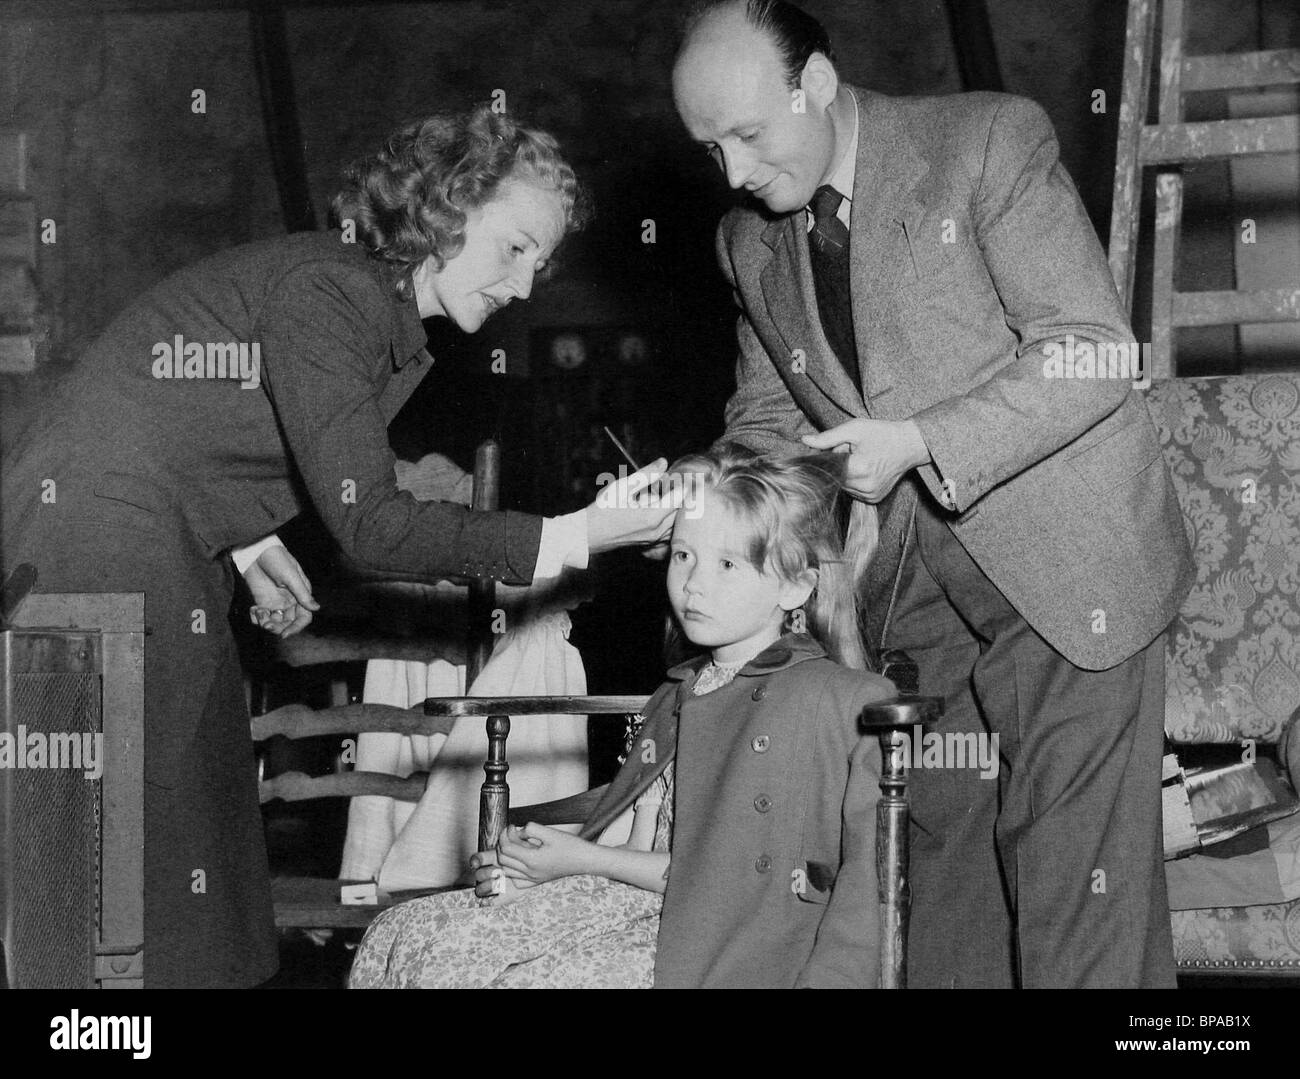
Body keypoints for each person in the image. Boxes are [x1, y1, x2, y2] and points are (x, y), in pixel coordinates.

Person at [0, 106, 675, 988]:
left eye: (540, 264)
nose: (525, 286)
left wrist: (245, 540)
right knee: (91, 852)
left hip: (151, 541)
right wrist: (583, 533)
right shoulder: (336, 291)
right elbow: (374, 524)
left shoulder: (373, 310)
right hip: (91, 547)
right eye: (515, 248)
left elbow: (180, 414)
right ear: (449, 206)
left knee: (196, 840)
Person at [671, 0, 1196, 987]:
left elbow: (1091, 352)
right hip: (920, 609)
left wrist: (917, 440)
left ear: (816, 84)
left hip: (1069, 574)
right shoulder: (749, 243)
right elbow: (768, 425)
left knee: (1070, 903)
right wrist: (701, 494)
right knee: (946, 920)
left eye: (748, 135)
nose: (735, 174)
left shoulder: (984, 140)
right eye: (711, 150)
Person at [347, 447, 895, 988]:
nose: (694, 584)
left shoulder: (823, 700)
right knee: (402, 932)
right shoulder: (680, 693)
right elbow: (638, 849)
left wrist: (578, 860)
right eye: (684, 555)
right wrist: (538, 874)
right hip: (642, 902)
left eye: (727, 563)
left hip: (726, 936)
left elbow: (721, 878)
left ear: (796, 585)